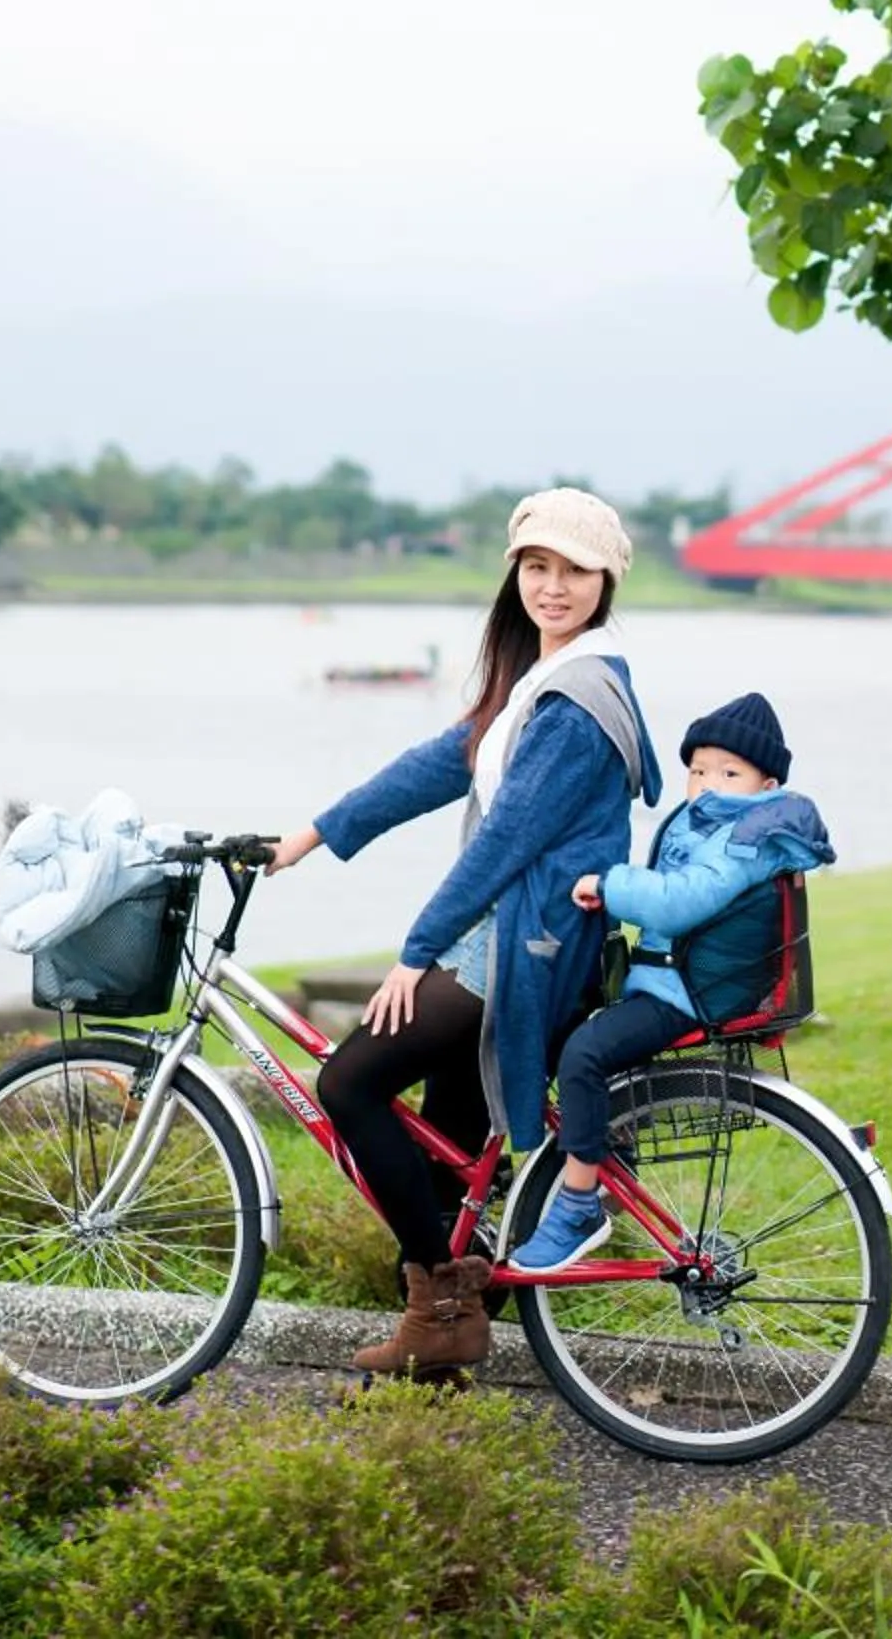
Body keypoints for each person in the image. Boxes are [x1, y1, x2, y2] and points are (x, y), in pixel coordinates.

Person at [264, 487, 660, 1377]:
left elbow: (509, 839)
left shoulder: (579, 700)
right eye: (537, 567)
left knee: (353, 1083)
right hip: (510, 933)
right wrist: (315, 835)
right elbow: (442, 763)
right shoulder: (536, 683)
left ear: (607, 583)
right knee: (447, 1142)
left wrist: (415, 950)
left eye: (575, 572)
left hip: (529, 942)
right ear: (515, 573)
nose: (553, 587)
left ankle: (441, 1297)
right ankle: (440, 1351)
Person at [508, 689, 833, 1275]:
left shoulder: (747, 839)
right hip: (669, 980)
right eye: (698, 769)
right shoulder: (715, 823)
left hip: (689, 994)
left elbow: (683, 903)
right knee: (556, 1027)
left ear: (767, 785)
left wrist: (611, 884)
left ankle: (579, 1205)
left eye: (729, 771)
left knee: (583, 1055)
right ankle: (612, 1150)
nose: (708, 783)